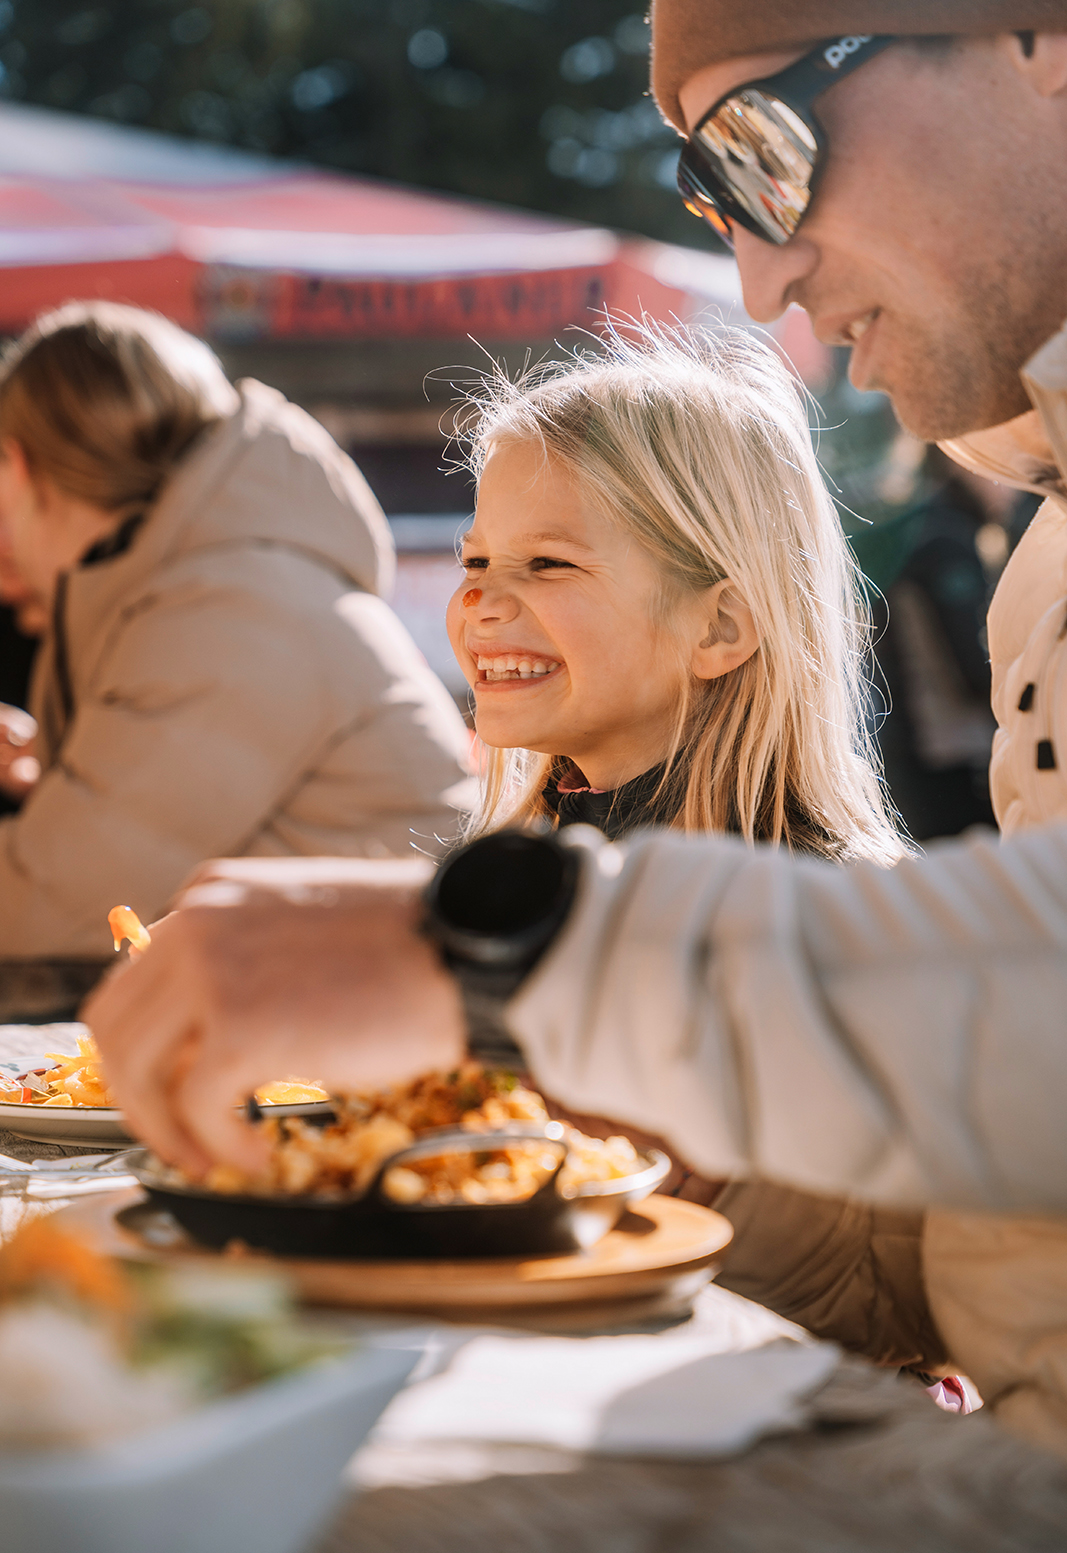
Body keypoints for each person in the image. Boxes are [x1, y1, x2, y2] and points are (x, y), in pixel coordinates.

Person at [84, 17, 1067, 1457]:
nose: (760, 276)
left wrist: (494, 956)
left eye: (763, 148)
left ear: (1031, 38)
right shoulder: (1038, 556)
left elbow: (874, 1275)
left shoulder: (813, 866)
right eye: (708, 197)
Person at [0, 300, 473, 990]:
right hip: (341, 999)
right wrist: (51, 774)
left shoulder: (228, 606)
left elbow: (48, 906)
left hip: (371, 1026)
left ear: (18, 465)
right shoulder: (217, 580)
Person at [448, 324, 903, 864]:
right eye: (476, 561)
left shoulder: (809, 902)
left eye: (549, 563)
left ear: (718, 629)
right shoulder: (522, 875)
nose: (482, 602)